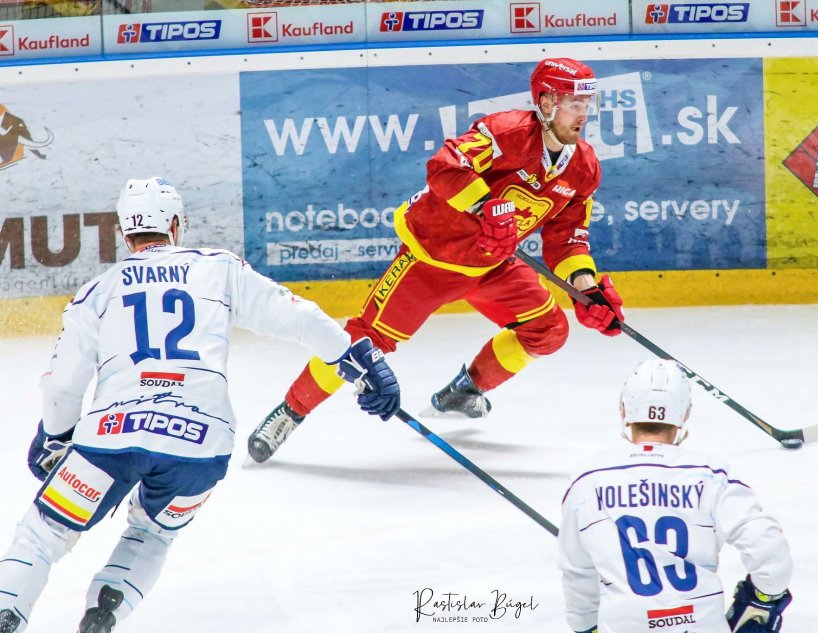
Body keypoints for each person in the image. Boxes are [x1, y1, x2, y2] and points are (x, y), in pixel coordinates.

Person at [0, 177, 400, 633]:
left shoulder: (96, 293)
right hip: (200, 445)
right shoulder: (218, 268)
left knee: (43, 534)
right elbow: (297, 317)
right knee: (152, 533)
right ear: (175, 225)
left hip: (111, 438)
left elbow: (62, 387)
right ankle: (102, 616)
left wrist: (54, 436)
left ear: (124, 232)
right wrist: (357, 359)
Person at [247, 57, 625, 464]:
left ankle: (466, 390)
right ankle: (290, 411)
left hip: (494, 265)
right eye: (574, 104)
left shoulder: (584, 168)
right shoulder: (506, 132)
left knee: (548, 330)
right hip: (431, 260)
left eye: (587, 105)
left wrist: (587, 290)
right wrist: (484, 206)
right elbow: (445, 167)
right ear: (547, 103)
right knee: (363, 344)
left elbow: (567, 239)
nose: (584, 115)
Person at [558, 359, 793, 633]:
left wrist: (586, 627)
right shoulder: (713, 475)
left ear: (624, 410)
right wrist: (763, 599)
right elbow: (770, 553)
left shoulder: (587, 479)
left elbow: (577, 572)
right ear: (684, 414)